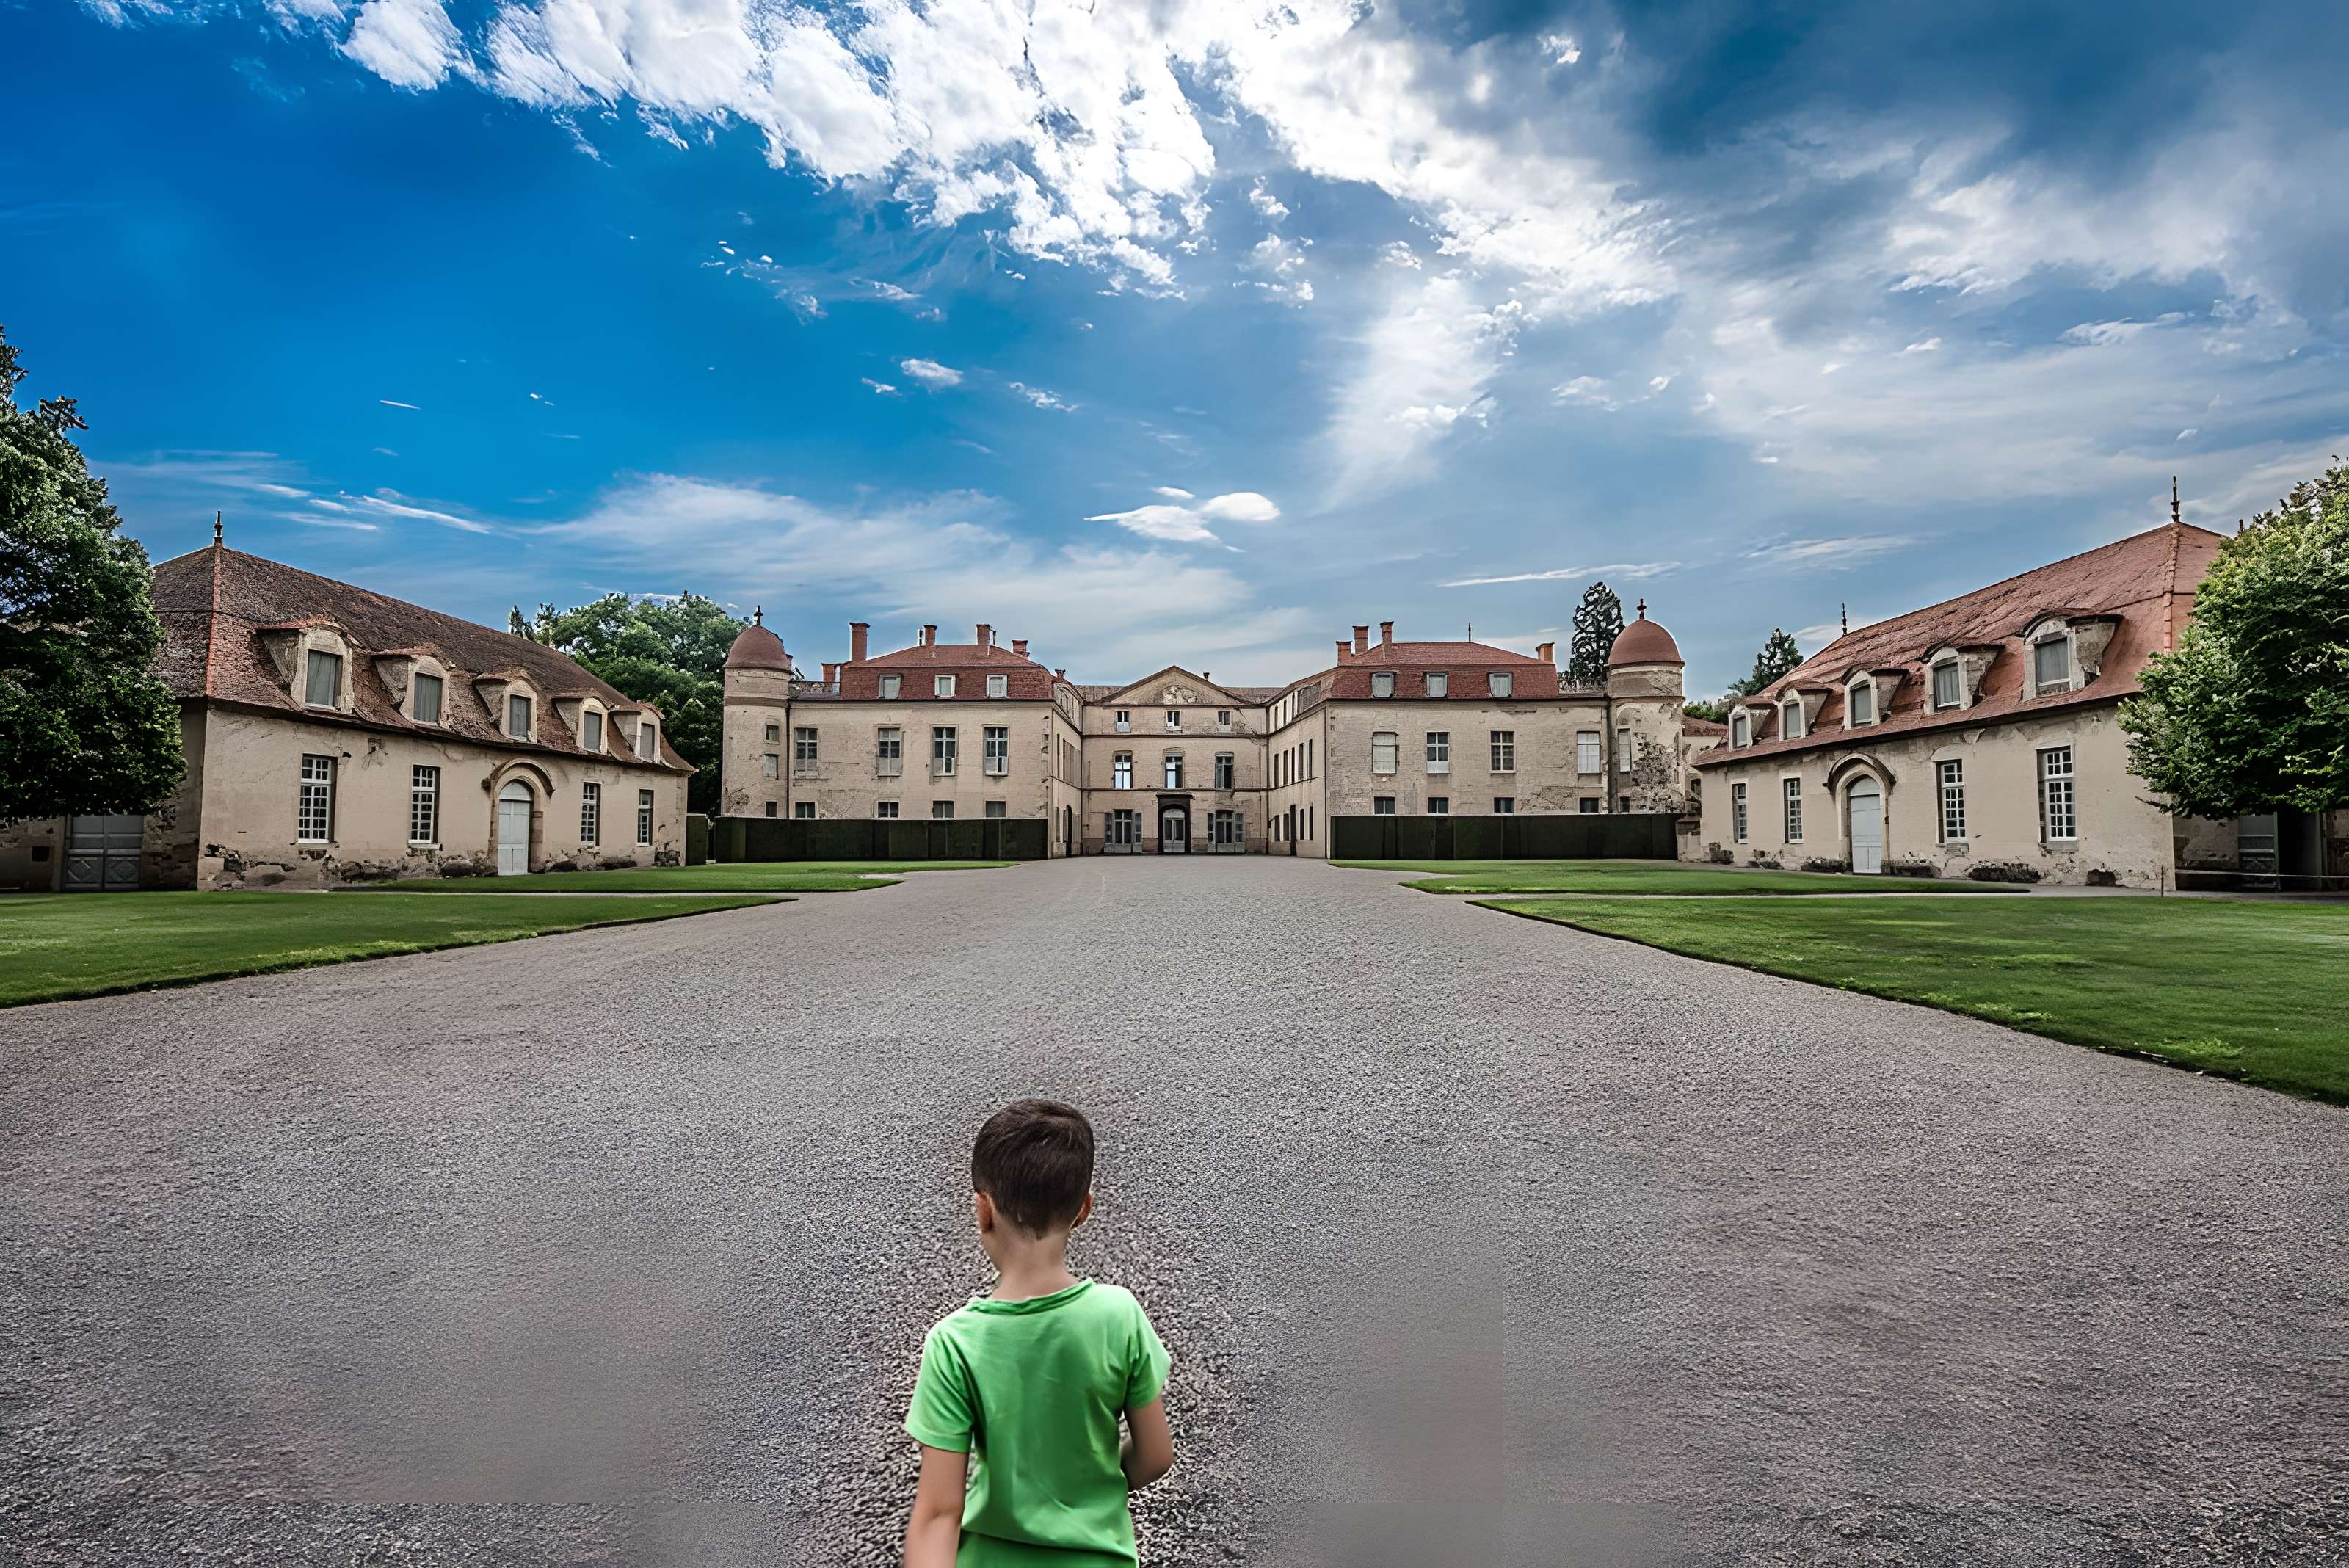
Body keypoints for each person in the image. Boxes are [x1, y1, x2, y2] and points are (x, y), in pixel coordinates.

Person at [904, 1099, 1175, 1567]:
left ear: (982, 1210)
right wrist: (1093, 1485)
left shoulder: (954, 1344)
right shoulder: (1119, 1316)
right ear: (1082, 1210)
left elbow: (938, 1514)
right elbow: (1154, 1457)